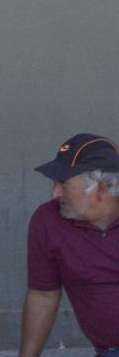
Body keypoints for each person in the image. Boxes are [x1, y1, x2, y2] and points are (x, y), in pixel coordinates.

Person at [20, 133, 119, 357]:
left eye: (64, 184)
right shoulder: (48, 220)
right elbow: (43, 295)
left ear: (101, 189)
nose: (54, 193)